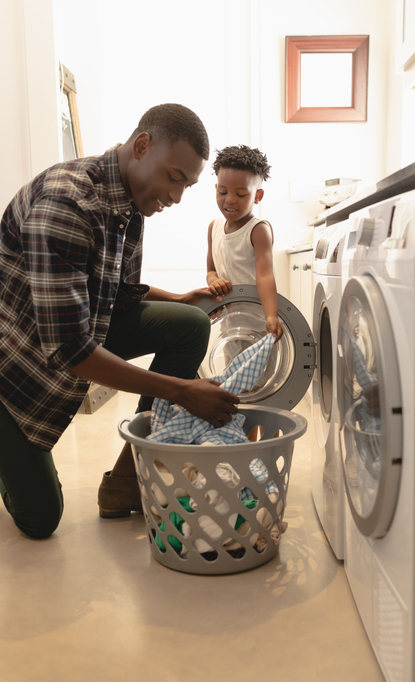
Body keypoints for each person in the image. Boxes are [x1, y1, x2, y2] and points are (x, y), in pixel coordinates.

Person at [0, 103, 239, 540]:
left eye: (187, 184)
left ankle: (127, 480)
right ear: (142, 146)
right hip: (18, 365)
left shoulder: (130, 202)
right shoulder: (67, 204)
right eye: (174, 178)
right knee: (40, 520)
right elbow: (69, 349)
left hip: (68, 335)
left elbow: (119, 295)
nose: (177, 197)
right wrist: (182, 391)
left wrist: (181, 299)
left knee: (189, 324)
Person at [206, 145, 283, 340]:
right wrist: (214, 281)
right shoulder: (213, 227)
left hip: (257, 322)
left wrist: (272, 316)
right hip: (228, 323)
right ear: (216, 189)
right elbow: (211, 271)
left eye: (241, 194)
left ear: (258, 196)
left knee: (263, 370)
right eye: (223, 192)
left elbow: (265, 275)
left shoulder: (258, 230)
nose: (230, 200)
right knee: (232, 367)